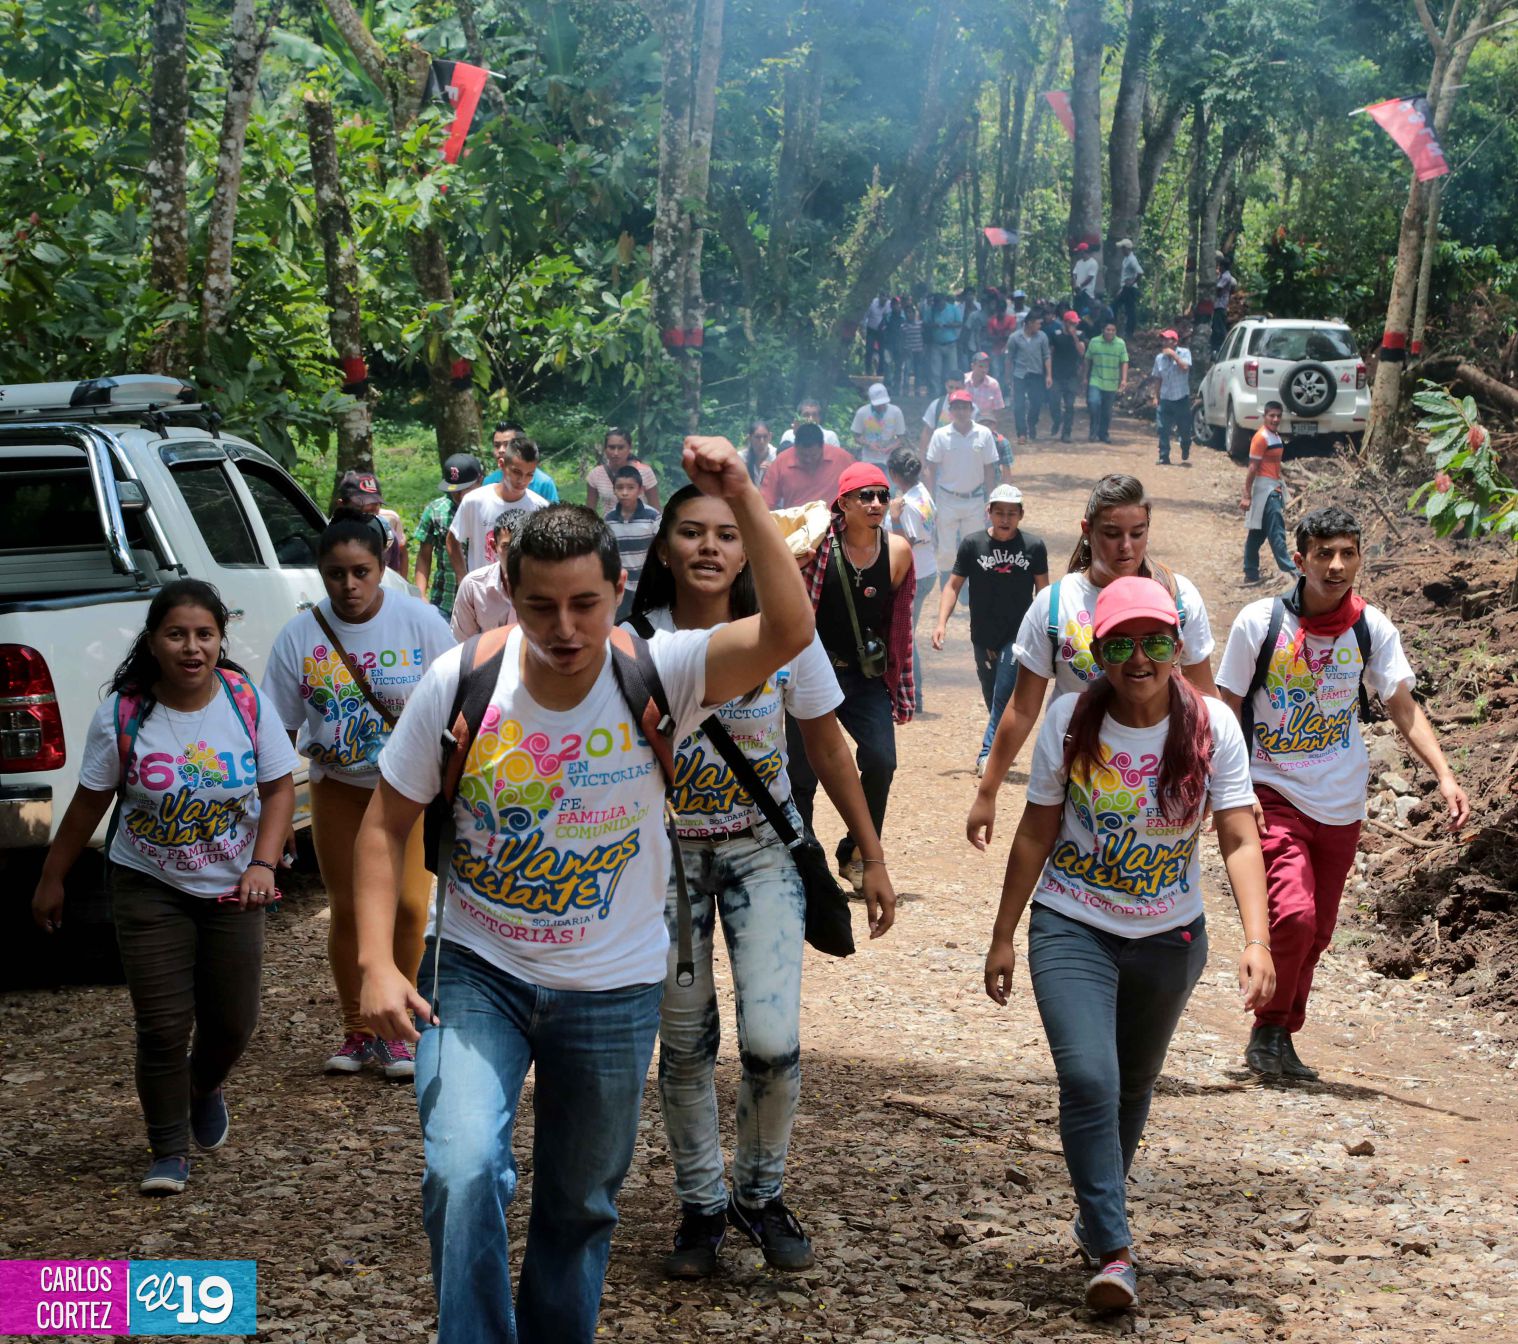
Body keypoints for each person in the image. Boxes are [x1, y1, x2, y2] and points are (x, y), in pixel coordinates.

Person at [352, 438, 816, 1344]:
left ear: (616, 594)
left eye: (585, 605)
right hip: (477, 968)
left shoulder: (663, 669)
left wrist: (745, 495)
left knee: (580, 1205)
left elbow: (788, 632)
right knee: (461, 1168)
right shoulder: (462, 680)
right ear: (506, 595)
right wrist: (376, 962)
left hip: (614, 988)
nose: (564, 629)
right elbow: (382, 826)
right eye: (541, 607)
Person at [626, 485, 897, 1280]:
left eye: (727, 533)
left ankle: (760, 1192)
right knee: (683, 1046)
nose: (709, 548)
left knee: (772, 1044)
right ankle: (702, 1205)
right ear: (667, 548)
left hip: (761, 850)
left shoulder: (789, 638)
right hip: (664, 862)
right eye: (690, 533)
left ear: (751, 549)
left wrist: (871, 855)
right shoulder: (631, 644)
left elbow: (828, 747)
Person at [983, 575, 1275, 1312]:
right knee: (1090, 1080)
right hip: (1072, 920)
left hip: (1169, 935)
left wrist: (1257, 938)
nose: (1138, 658)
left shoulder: (1214, 727)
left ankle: (1094, 1213)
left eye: (1154, 642)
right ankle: (1115, 1250)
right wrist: (1004, 936)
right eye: (1121, 644)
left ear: (1176, 647)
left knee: (1133, 1086)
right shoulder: (1068, 723)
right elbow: (1036, 830)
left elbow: (1240, 835)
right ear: (1099, 651)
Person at [31, 579, 297, 1197]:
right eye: (176, 634)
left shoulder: (243, 701)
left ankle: (202, 1085)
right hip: (147, 882)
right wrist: (52, 876)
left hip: (233, 886)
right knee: (161, 1025)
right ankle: (168, 1148)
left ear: (220, 640)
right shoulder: (124, 714)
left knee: (233, 1024)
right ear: (153, 642)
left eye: (204, 634)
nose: (191, 648)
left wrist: (262, 862)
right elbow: (91, 801)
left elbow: (279, 787)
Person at [1217, 506, 1469, 1081]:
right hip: (1272, 790)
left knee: (1320, 931)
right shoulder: (1259, 623)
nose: (1336, 565)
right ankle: (1267, 1031)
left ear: (1360, 558)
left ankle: (1278, 1034)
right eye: (1324, 553)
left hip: (1341, 801)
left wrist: (1445, 775)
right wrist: (1231, 790)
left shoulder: (1370, 629)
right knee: (1296, 917)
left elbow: (1402, 707)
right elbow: (1225, 710)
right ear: (1299, 557)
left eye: (1347, 553)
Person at [264, 510, 455, 1078]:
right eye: (335, 574)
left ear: (383, 567)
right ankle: (358, 1029)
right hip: (338, 788)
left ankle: (402, 1030)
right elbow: (273, 727)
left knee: (409, 908)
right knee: (347, 910)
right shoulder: (300, 635)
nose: (349, 586)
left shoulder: (420, 621)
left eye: (361, 572)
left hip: (409, 790)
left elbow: (456, 702)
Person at [966, 474, 1219, 849]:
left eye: (1138, 532)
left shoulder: (1177, 599)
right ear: (1087, 530)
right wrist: (988, 793)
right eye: (1113, 533)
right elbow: (1022, 708)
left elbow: (1204, 698)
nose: (1126, 547)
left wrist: (1225, 781)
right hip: (1078, 777)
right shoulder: (1055, 605)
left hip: (1160, 777)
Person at [791, 463, 914, 889]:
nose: (876, 503)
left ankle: (859, 851)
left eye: (882, 495)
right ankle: (803, 861)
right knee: (800, 775)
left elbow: (899, 625)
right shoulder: (818, 545)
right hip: (811, 672)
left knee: (882, 761)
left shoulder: (898, 552)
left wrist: (898, 681)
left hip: (863, 677)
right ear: (843, 503)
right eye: (865, 495)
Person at [933, 485, 1049, 776]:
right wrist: (941, 622)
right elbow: (953, 585)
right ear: (989, 513)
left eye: (1011, 513)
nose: (1005, 519)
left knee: (1002, 693)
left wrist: (1048, 633)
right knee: (991, 692)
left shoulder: (1033, 547)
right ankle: (1001, 740)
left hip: (1018, 633)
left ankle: (987, 756)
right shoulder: (973, 545)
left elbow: (1044, 591)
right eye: (1000, 512)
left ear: (1021, 515)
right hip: (982, 634)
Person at [448, 438, 550, 580]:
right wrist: (462, 578)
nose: (522, 480)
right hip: (482, 594)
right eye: (516, 472)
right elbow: (453, 539)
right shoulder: (475, 501)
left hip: (523, 594)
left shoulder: (541, 508)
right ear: (501, 464)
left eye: (529, 475)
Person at [924, 388, 1000, 574]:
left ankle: (972, 588)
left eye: (965, 407)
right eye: (956, 407)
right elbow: (931, 469)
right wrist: (929, 500)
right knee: (946, 550)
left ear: (971, 409)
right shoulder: (940, 435)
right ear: (950, 410)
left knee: (975, 547)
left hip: (975, 499)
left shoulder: (984, 434)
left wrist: (990, 500)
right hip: (946, 499)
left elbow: (989, 469)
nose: (961, 411)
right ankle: (947, 591)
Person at [885, 444, 938, 713]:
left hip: (914, 573)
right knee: (907, 632)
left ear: (894, 474)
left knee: (906, 634)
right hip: (926, 567)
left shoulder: (907, 507)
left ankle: (913, 693)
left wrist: (894, 518)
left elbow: (904, 542)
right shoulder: (921, 492)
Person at [413, 454, 482, 623]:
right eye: (454, 491)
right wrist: (420, 594)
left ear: (479, 481)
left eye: (464, 489)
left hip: (482, 603)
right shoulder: (436, 510)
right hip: (444, 600)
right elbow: (424, 555)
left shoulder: (487, 510)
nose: (458, 496)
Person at [1239, 402, 1296, 585]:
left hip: (1273, 487)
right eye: (1272, 415)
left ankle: (1250, 572)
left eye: (1278, 416)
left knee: (1257, 532)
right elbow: (1252, 467)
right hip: (1266, 491)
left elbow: (1274, 465)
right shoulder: (1261, 437)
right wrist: (1246, 495)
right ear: (1265, 416)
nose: (1276, 419)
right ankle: (1290, 569)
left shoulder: (1275, 436)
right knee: (1276, 531)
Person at [605, 463, 662, 620]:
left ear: (640, 490)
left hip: (647, 582)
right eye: (620, 487)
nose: (624, 492)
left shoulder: (653, 517)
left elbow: (663, 547)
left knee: (647, 621)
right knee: (620, 622)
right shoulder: (609, 519)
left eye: (630, 487)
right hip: (621, 583)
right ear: (614, 489)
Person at [760, 421, 853, 510]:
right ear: (795, 447)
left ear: (822, 447)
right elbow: (766, 502)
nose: (808, 460)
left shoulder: (841, 458)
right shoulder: (781, 462)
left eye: (813, 455)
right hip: (797, 523)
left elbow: (862, 486)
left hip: (834, 523)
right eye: (803, 455)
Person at [451, 515, 517, 640]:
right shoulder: (473, 586)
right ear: (493, 546)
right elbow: (461, 646)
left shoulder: (545, 586)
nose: (515, 554)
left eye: (521, 546)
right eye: (507, 547)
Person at [336, 470, 407, 577]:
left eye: (374, 506)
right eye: (361, 505)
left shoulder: (387, 537)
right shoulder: (330, 539)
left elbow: (394, 576)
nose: (369, 509)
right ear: (341, 505)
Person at [586, 427, 660, 513]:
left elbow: (656, 509)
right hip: (609, 525)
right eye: (612, 448)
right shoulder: (595, 475)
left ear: (629, 448)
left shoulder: (645, 472)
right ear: (605, 449)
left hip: (641, 524)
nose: (616, 453)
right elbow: (589, 512)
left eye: (621, 448)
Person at [1006, 310, 1053, 445]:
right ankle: (1021, 433)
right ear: (1029, 323)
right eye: (1038, 323)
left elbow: (1047, 356)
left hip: (1036, 374)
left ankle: (1031, 423)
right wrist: (1008, 377)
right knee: (1019, 405)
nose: (1040, 326)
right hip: (1019, 374)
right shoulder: (1015, 338)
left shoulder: (1042, 337)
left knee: (1036, 403)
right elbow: (1009, 358)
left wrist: (1049, 375)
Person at [1148, 329, 1193, 465]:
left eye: (1167, 339)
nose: (1164, 342)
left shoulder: (1185, 353)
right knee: (1162, 428)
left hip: (1181, 398)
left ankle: (1185, 446)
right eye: (1163, 339)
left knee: (1184, 429)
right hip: (1166, 397)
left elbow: (1185, 368)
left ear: (1175, 341)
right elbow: (1158, 378)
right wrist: (1156, 396)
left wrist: (1174, 356)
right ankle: (1164, 456)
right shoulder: (1159, 358)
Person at [484, 425, 560, 502]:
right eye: (497, 446)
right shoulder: (488, 482)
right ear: (501, 464)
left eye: (508, 445)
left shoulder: (544, 484)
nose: (501, 450)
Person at [1084, 320, 1129, 444]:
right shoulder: (1094, 341)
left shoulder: (1120, 343)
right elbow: (1087, 359)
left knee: (1107, 411)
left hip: (1112, 382)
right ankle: (1093, 432)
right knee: (1093, 404)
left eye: (1113, 330)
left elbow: (1124, 361)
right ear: (1103, 330)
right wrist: (1085, 376)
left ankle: (1103, 434)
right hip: (1096, 379)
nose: (1110, 332)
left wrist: (1124, 380)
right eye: (1108, 330)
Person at [1047, 310, 1086, 443]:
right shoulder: (1056, 335)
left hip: (1072, 376)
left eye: (1075, 323)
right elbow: (1050, 355)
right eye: (1071, 323)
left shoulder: (1080, 335)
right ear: (1064, 322)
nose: (1073, 325)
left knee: (1070, 405)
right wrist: (1048, 374)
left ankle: (1066, 433)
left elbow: (1081, 352)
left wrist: (1074, 336)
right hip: (1057, 375)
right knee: (1054, 402)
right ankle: (1057, 421)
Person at [850, 382, 908, 469]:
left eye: (883, 403)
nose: (881, 407)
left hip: (890, 459)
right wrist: (869, 444)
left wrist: (892, 447)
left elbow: (901, 438)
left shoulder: (896, 412)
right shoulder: (862, 413)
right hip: (868, 459)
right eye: (878, 405)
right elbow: (856, 437)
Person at [918, 373, 967, 451]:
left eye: (957, 388)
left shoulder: (973, 408)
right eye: (951, 387)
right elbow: (927, 433)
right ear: (946, 385)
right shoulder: (936, 405)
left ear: (964, 387)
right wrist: (922, 457)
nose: (954, 391)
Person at [928, 291, 963, 385]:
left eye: (940, 303)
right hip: (936, 344)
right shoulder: (931, 310)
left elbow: (960, 323)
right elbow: (926, 324)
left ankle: (953, 391)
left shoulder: (953, 309)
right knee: (935, 371)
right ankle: (936, 392)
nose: (938, 305)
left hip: (951, 343)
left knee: (952, 370)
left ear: (944, 301)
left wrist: (950, 325)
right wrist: (934, 325)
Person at [976, 409, 1015, 483]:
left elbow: (1006, 471)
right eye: (982, 425)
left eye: (988, 424)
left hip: (994, 483)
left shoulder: (1002, 443)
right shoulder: (969, 442)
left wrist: (1005, 490)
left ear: (994, 425)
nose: (985, 428)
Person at [963, 351, 1005, 419]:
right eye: (981, 366)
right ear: (972, 366)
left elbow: (998, 410)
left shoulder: (993, 384)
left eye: (986, 367)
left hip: (985, 424)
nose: (984, 370)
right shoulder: (963, 381)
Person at [1115, 238, 1142, 338]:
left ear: (1126, 248)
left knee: (1129, 310)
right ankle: (1124, 330)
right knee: (1119, 307)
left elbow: (1140, 272)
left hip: (1129, 289)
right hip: (1125, 288)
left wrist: (1132, 282)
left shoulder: (1132, 259)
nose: (1121, 251)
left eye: (1122, 248)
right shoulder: (1126, 259)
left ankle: (1129, 332)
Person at [984, 297, 1016, 385]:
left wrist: (998, 336)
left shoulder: (1011, 319)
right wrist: (1002, 336)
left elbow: (1011, 335)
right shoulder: (991, 320)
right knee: (996, 372)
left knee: (1008, 371)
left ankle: (1008, 390)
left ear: (1005, 309)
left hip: (1008, 349)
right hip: (995, 349)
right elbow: (989, 336)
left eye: (1002, 309)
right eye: (999, 309)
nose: (1000, 312)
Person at [899, 301, 926, 397]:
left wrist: (923, 349)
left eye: (911, 312)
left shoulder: (920, 325)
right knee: (906, 371)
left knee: (918, 371)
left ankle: (917, 390)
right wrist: (904, 349)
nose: (909, 314)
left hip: (918, 351)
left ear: (914, 313)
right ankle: (905, 390)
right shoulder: (903, 326)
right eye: (907, 313)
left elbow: (923, 337)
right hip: (908, 351)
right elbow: (902, 339)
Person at [1212, 254, 1237, 353]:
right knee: (1216, 327)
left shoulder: (1226, 277)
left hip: (1220, 305)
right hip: (1218, 305)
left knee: (1220, 329)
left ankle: (1224, 347)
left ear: (1223, 266)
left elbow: (1218, 289)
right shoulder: (1222, 276)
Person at [862, 292, 888, 375]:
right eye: (882, 299)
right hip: (871, 330)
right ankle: (868, 370)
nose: (884, 301)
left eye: (885, 299)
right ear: (879, 297)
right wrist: (863, 329)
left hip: (882, 331)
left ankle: (881, 371)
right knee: (869, 350)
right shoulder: (872, 304)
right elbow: (865, 317)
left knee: (882, 351)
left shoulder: (888, 305)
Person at [741, 420, 775, 485]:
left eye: (765, 437)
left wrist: (774, 471)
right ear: (749, 438)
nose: (762, 441)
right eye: (757, 437)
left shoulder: (777, 456)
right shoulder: (741, 457)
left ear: (770, 436)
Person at [1071, 242, 1099, 312]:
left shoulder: (1093, 263)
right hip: (1078, 292)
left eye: (1079, 251)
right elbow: (1074, 274)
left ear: (1083, 251)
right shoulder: (1079, 262)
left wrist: (1080, 285)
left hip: (1087, 293)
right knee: (1077, 312)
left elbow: (1090, 277)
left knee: (1086, 312)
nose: (1078, 253)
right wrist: (1075, 285)